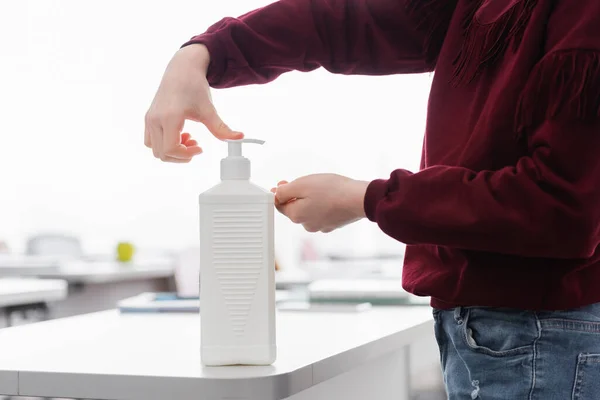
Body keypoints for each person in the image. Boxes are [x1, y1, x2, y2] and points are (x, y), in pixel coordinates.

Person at [144, 0, 600, 398]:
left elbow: (560, 207)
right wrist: (204, 52)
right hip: (496, 329)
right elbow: (344, 21)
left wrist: (367, 199)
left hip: (543, 333)